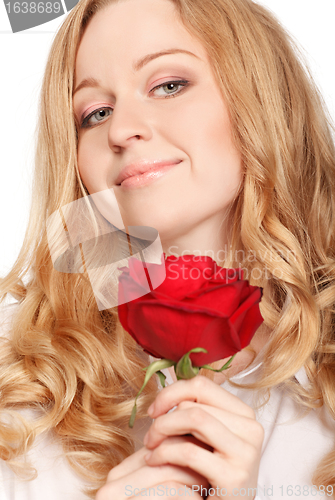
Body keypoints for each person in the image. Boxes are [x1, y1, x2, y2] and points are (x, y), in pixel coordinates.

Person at [0, 0, 335, 499]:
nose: (119, 130)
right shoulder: (17, 372)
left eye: (168, 85)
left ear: (264, 98)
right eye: (95, 113)